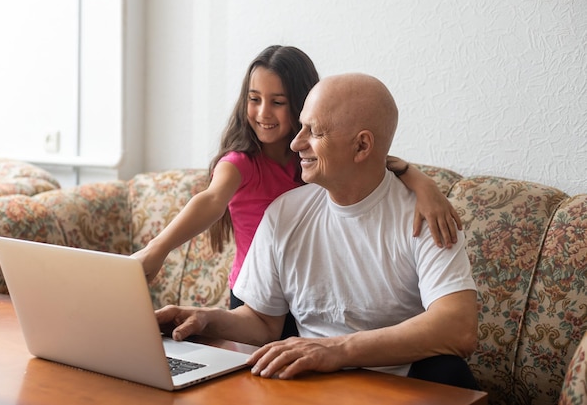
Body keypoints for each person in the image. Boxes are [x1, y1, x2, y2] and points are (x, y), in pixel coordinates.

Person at [155, 73, 479, 389]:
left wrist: (336, 350)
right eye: (301, 128)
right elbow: (263, 323)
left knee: (449, 372)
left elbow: (458, 328)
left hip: (398, 385)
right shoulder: (285, 212)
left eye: (314, 132)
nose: (296, 143)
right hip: (312, 384)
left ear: (362, 146)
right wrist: (205, 319)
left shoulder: (426, 216)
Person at [133, 45, 461, 336]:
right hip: (256, 292)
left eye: (277, 102)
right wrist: (157, 249)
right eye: (254, 99)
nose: (263, 113)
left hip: (300, 295)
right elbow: (211, 200)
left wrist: (424, 185)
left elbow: (373, 161)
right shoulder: (243, 163)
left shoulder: (310, 162)